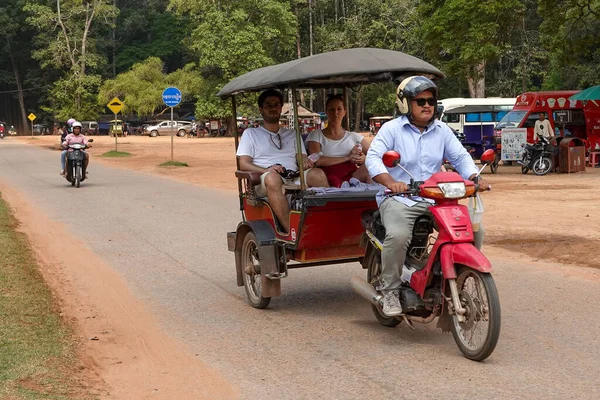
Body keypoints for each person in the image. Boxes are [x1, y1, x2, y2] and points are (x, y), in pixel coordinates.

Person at [365, 76, 488, 317]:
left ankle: (456, 274)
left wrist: (475, 177)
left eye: (431, 100)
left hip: (436, 199)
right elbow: (373, 158)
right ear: (405, 104)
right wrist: (391, 182)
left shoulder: (442, 130)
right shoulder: (392, 129)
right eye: (420, 101)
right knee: (399, 236)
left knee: (474, 231)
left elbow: (460, 157)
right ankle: (390, 290)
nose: (426, 105)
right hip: (399, 198)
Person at [236, 89, 329, 234]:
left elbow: (301, 157)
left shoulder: (292, 133)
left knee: (318, 174)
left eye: (276, 104)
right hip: (264, 179)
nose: (273, 108)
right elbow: (244, 163)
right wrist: (267, 170)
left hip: (293, 175)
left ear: (281, 108)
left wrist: (306, 162)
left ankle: (324, 225)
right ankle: (293, 232)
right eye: (268, 105)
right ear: (261, 109)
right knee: (273, 178)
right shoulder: (251, 133)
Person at [306, 94, 372, 187]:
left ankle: (373, 199)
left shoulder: (353, 136)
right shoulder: (316, 135)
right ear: (326, 112)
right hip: (328, 178)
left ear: (344, 112)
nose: (335, 113)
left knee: (371, 167)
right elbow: (318, 160)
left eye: (339, 109)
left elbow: (374, 154)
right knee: (314, 174)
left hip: (353, 176)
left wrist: (364, 159)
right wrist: (347, 158)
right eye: (331, 109)